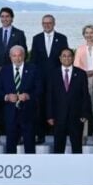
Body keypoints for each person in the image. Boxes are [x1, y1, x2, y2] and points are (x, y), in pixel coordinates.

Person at [0, 7, 27, 145]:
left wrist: (11, 68)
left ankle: (20, 134)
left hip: (14, 74)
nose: (5, 19)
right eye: (2, 16)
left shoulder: (19, 34)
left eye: (7, 16)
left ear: (12, 18)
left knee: (17, 104)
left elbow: (23, 53)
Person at [30, 14, 68, 144]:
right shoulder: (36, 38)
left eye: (49, 23)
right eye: (44, 23)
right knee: (40, 105)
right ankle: (40, 133)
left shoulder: (62, 38)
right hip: (40, 79)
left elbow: (65, 58)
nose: (47, 25)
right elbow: (33, 60)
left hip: (57, 78)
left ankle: (55, 131)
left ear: (54, 23)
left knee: (56, 104)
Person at [0, 45, 40, 154]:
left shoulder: (33, 69)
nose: (17, 58)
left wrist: (29, 96)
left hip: (28, 113)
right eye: (14, 56)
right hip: (10, 114)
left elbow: (40, 90)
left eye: (20, 55)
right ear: (10, 57)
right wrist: (6, 97)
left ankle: (31, 168)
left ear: (24, 56)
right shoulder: (4, 71)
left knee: (29, 145)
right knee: (10, 145)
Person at [47, 48, 91, 154]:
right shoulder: (53, 74)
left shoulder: (80, 73)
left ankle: (78, 169)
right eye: (64, 56)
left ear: (73, 58)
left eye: (69, 56)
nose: (67, 58)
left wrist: (85, 114)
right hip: (58, 117)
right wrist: (49, 115)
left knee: (76, 146)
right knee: (58, 147)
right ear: (60, 58)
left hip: (76, 117)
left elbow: (85, 95)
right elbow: (49, 96)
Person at [73, 24, 93, 145]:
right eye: (87, 33)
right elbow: (76, 66)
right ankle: (84, 134)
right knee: (83, 108)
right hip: (83, 80)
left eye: (91, 32)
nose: (89, 35)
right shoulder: (80, 49)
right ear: (84, 35)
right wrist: (84, 73)